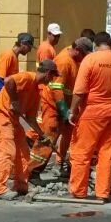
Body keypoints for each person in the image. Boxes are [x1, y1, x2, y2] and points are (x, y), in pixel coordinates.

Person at [67, 31, 111, 201]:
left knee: (82, 152)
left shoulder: (90, 60)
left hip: (92, 112)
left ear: (95, 44)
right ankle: (102, 192)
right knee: (106, 153)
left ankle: (79, 191)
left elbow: (79, 91)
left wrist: (72, 110)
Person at [0, 60, 59, 199]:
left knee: (23, 152)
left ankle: (21, 184)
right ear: (47, 74)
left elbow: (31, 118)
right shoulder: (28, 77)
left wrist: (42, 135)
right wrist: (14, 101)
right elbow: (8, 81)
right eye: (52, 76)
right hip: (1, 115)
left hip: (13, 120)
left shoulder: (35, 92)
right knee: (7, 151)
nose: (52, 80)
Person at [30, 36, 91, 178]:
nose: (83, 58)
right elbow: (57, 88)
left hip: (66, 106)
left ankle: (62, 162)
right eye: (82, 54)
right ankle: (33, 170)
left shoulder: (75, 59)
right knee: (48, 137)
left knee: (69, 135)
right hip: (54, 105)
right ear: (77, 50)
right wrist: (64, 111)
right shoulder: (64, 61)